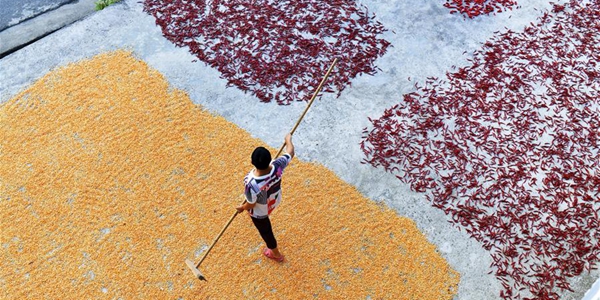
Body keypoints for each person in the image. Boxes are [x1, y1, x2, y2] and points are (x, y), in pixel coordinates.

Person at [236, 133, 295, 262]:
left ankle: (276, 254)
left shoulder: (251, 183)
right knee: (264, 214)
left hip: (260, 211)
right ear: (269, 159)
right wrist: (288, 140)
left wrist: (242, 207)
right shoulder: (278, 165)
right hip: (274, 199)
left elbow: (251, 204)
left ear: (252, 162)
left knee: (266, 231)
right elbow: (290, 152)